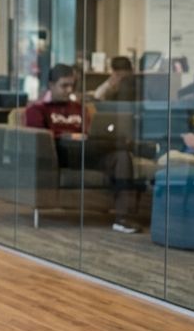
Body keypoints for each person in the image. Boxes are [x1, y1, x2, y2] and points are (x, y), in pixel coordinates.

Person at [27, 65, 140, 233]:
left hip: (86, 150)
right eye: (64, 85)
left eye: (71, 85)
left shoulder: (79, 108)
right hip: (59, 153)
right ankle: (136, 146)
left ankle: (122, 218)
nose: (69, 90)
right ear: (51, 85)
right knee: (111, 145)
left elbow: (89, 132)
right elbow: (38, 141)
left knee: (122, 156)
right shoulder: (37, 109)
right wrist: (64, 137)